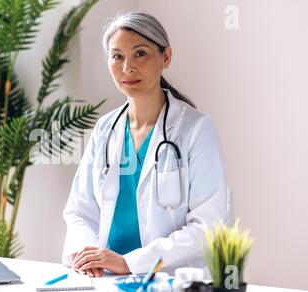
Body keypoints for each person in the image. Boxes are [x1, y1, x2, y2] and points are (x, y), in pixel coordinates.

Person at [62, 11, 232, 277]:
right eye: (117, 56)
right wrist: (88, 256)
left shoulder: (196, 128)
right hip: (108, 280)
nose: (127, 67)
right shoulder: (105, 129)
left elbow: (207, 225)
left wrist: (131, 263)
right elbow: (80, 211)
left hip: (171, 280)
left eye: (140, 53)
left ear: (166, 57)